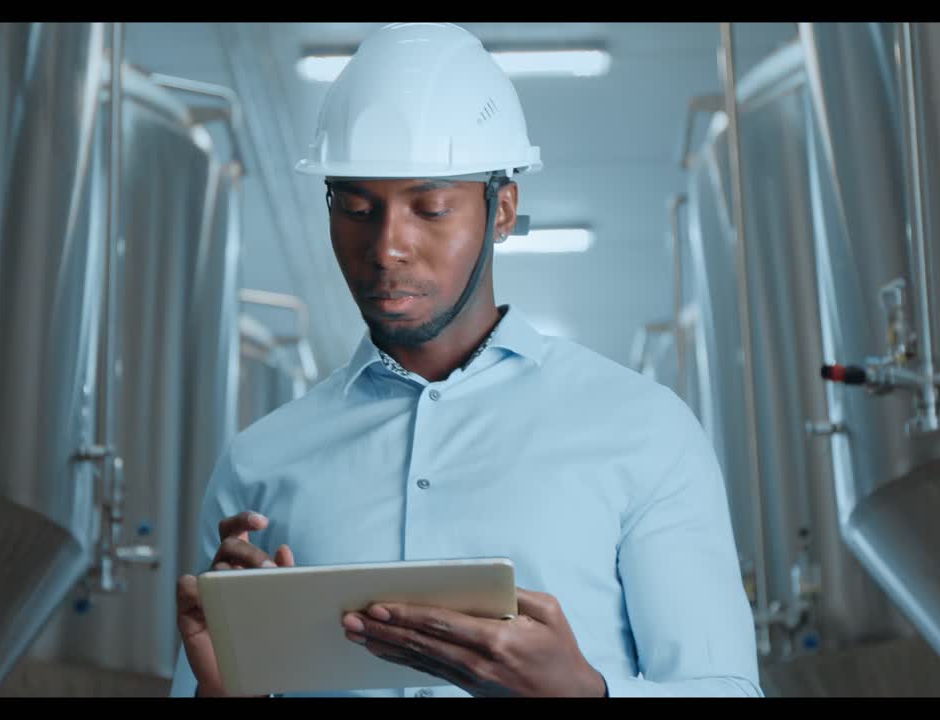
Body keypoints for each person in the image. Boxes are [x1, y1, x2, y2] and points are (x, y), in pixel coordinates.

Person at [168, 22, 761, 698]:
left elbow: (728, 688)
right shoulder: (259, 466)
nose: (388, 246)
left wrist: (585, 695)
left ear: (501, 210)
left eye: (429, 208)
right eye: (357, 209)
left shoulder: (645, 432)